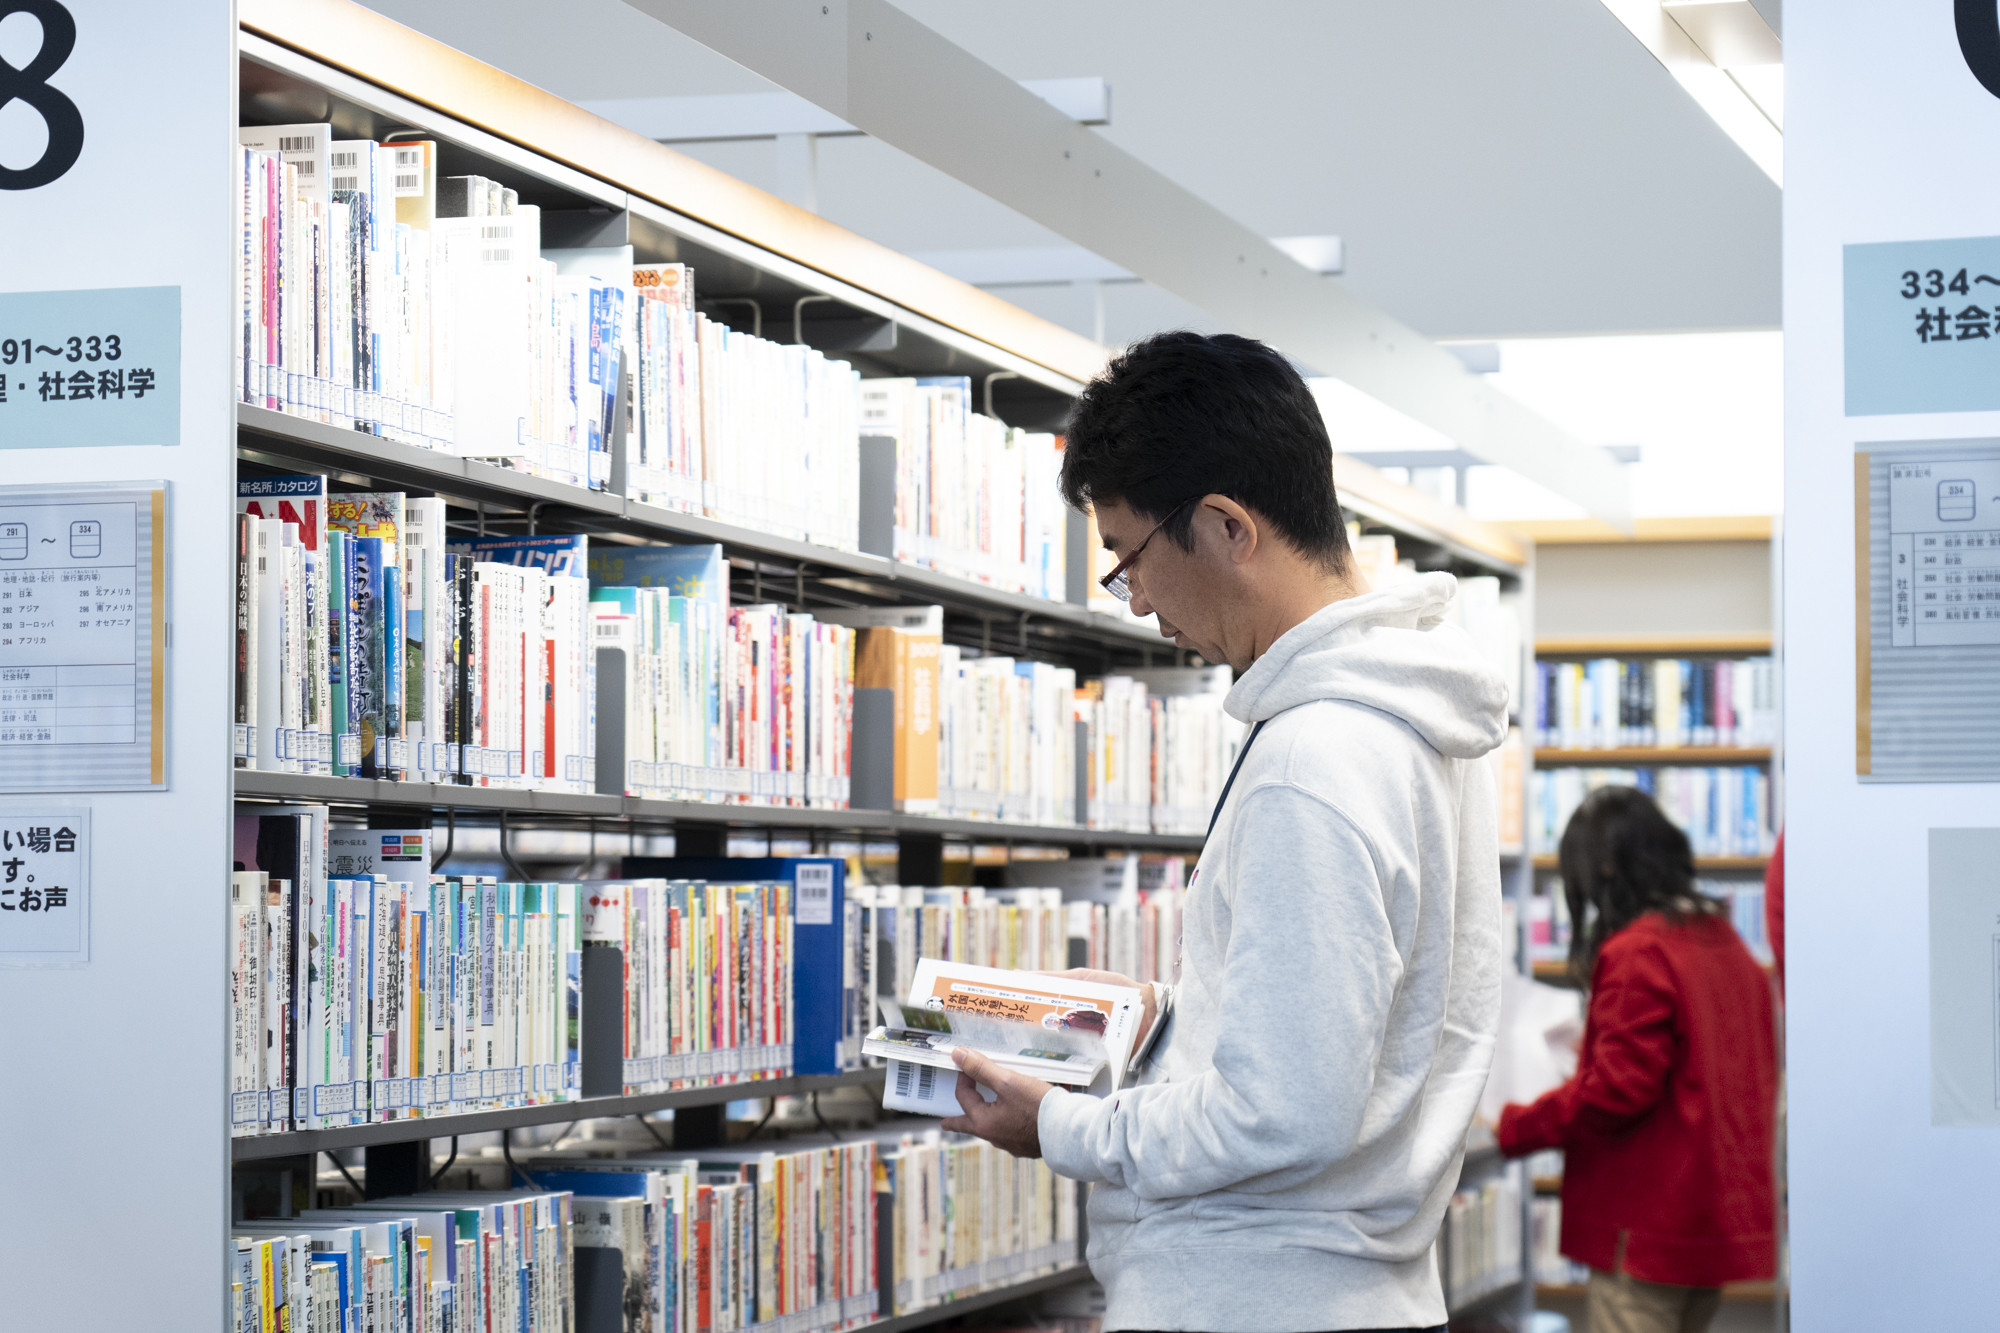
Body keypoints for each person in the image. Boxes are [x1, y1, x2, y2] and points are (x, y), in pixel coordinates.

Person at [939, 330, 1512, 1333]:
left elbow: (1281, 1110)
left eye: (1131, 560)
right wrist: (1164, 1013)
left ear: (1224, 527)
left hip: (1250, 1296)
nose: (1140, 603)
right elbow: (1362, 1024)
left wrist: (1062, 1123)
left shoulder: (1314, 758)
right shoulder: (1414, 722)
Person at [1497, 786, 1777, 1333]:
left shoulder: (1638, 953)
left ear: (1604, 869)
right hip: (1709, 1227)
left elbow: (1614, 1092)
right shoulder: (1727, 942)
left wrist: (1515, 1127)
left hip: (1647, 1227)